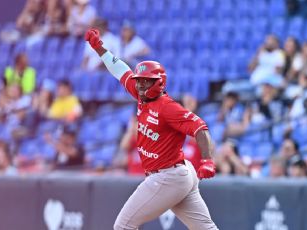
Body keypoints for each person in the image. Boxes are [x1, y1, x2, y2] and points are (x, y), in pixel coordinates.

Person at [85, 29, 217, 230]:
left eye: (145, 80)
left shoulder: (167, 107)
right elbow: (120, 70)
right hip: (177, 174)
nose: (140, 84)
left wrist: (207, 160)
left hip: (167, 176)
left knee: (123, 226)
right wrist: (99, 48)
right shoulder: (141, 95)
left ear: (159, 82)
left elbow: (200, 127)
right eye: (139, 80)